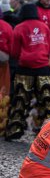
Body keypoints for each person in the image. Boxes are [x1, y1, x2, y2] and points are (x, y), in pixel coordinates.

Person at [5, 3, 50, 140]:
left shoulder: (19, 28)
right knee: (46, 101)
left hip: (25, 68)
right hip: (43, 67)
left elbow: (14, 52)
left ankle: (15, 128)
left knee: (20, 99)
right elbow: (49, 48)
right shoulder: (45, 27)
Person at [0, 8, 13, 136]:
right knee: (3, 93)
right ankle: (1, 127)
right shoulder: (7, 27)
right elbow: (12, 48)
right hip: (4, 63)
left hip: (3, 64)